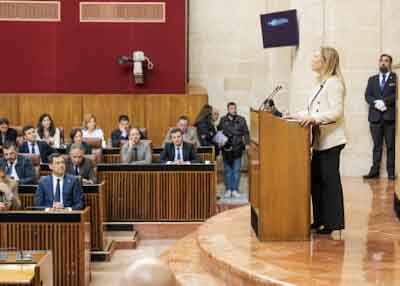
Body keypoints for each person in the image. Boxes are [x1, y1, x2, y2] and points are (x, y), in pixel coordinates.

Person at [292, 47, 346, 235]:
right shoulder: (319, 83)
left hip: (331, 141)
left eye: (316, 56)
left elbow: (336, 112)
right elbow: (312, 110)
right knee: (316, 181)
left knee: (329, 182)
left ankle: (333, 222)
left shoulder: (334, 83)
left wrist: (315, 119)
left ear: (326, 61)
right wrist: (292, 116)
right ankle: (321, 219)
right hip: (320, 141)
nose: (312, 59)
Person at [363, 54, 397, 180]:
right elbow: (367, 96)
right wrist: (376, 103)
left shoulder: (395, 79)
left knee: (390, 146)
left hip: (389, 119)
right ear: (379, 63)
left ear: (390, 64)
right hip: (375, 118)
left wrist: (385, 102)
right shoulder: (372, 79)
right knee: (376, 146)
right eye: (381, 61)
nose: (383, 63)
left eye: (386, 61)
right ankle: (374, 172)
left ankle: (391, 173)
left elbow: (396, 95)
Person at [218, 102, 250, 199]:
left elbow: (246, 133)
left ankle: (235, 189)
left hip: (237, 148)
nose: (233, 110)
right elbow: (219, 132)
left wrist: (247, 143)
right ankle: (228, 189)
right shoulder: (223, 120)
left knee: (236, 170)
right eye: (231, 108)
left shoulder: (241, 119)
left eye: (235, 108)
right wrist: (220, 142)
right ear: (228, 109)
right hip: (226, 149)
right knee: (228, 170)